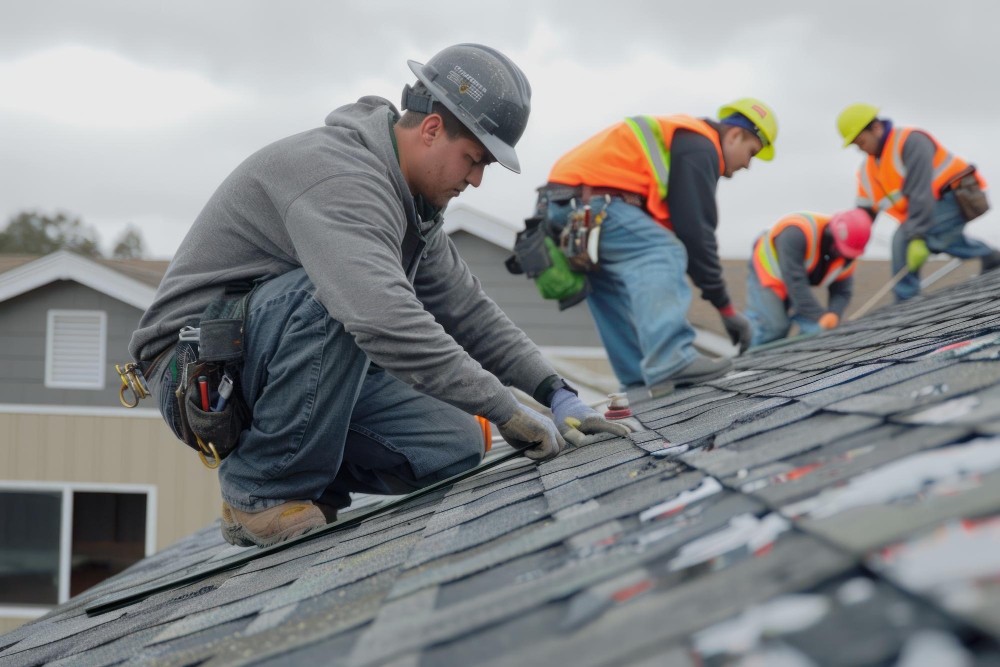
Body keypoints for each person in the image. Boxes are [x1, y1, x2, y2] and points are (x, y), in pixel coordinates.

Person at [129, 44, 629, 548]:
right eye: (474, 160)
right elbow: (381, 319)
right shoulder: (339, 177)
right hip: (196, 369)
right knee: (346, 297)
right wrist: (505, 407)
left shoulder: (412, 208)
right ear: (432, 129)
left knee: (451, 446)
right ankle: (262, 492)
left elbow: (470, 314)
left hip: (268, 354)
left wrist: (554, 392)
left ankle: (308, 483)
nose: (476, 180)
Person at [537, 99, 778, 395]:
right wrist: (727, 310)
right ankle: (669, 360)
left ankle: (636, 378)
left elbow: (687, 232)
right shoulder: (700, 145)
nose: (747, 165)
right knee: (663, 250)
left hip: (565, 206)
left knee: (609, 282)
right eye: (751, 152)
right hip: (593, 201)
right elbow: (696, 236)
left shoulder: (681, 146)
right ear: (734, 135)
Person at [838, 103, 1000, 301]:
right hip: (929, 209)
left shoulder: (910, 141)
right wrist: (846, 247)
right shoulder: (868, 171)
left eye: (861, 142)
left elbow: (920, 193)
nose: (861, 149)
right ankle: (991, 257)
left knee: (904, 238)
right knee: (939, 238)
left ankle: (905, 300)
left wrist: (916, 236)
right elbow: (863, 215)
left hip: (959, 196)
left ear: (876, 128)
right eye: (856, 145)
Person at [746, 209, 872, 347]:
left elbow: (842, 291)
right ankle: (745, 362)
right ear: (831, 234)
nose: (841, 256)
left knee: (816, 330)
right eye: (839, 250)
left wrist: (833, 314)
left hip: (796, 279)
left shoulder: (848, 255)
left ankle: (788, 358)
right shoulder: (795, 233)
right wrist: (820, 316)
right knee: (775, 328)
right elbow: (796, 284)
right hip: (768, 273)